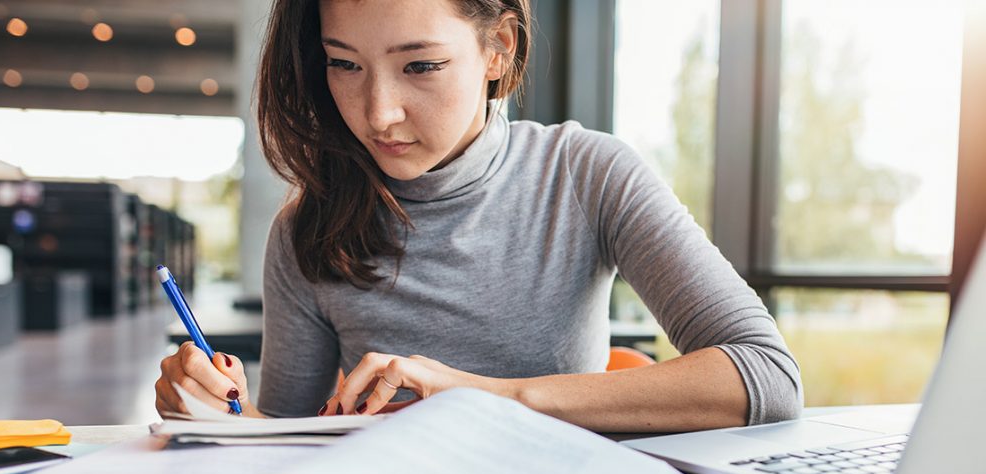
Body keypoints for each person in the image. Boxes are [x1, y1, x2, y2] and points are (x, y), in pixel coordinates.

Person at [154, 0, 803, 433]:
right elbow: (289, 437)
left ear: (498, 49)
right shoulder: (304, 229)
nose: (378, 112)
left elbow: (767, 378)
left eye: (420, 66)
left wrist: (486, 397)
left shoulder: (587, 174)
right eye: (344, 64)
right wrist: (215, 412)